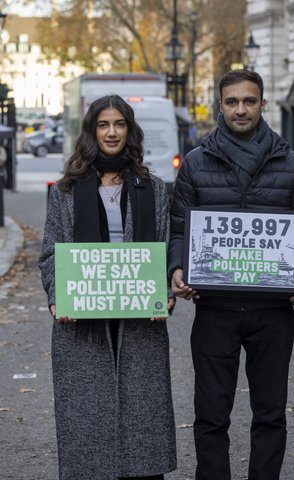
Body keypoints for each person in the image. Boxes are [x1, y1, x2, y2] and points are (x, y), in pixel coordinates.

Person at [168, 69, 294, 480]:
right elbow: (179, 227)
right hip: (215, 309)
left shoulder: (291, 163)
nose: (240, 109)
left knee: (270, 414)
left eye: (249, 101)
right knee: (211, 414)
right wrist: (177, 267)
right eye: (232, 101)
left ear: (262, 104)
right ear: (220, 105)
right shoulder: (196, 163)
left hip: (273, 311)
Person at [38, 95, 176, 480]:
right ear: (91, 131)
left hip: (139, 325)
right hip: (82, 326)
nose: (112, 132)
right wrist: (56, 298)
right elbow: (50, 254)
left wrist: (164, 291)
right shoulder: (64, 191)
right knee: (87, 429)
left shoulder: (154, 188)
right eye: (103, 125)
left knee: (143, 425)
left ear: (129, 130)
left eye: (119, 124)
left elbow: (164, 250)